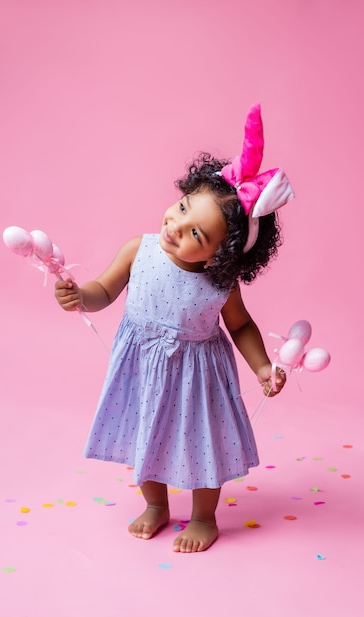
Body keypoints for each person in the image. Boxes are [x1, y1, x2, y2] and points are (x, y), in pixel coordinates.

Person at [55, 104, 294, 553]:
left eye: (196, 234)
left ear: (220, 256)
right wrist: (79, 297)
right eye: (182, 208)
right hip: (144, 368)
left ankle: (204, 516)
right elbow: (104, 291)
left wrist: (262, 366)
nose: (175, 226)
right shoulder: (138, 249)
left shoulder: (220, 283)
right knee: (145, 433)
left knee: (203, 445)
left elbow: (241, 325)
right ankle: (156, 505)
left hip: (198, 378)